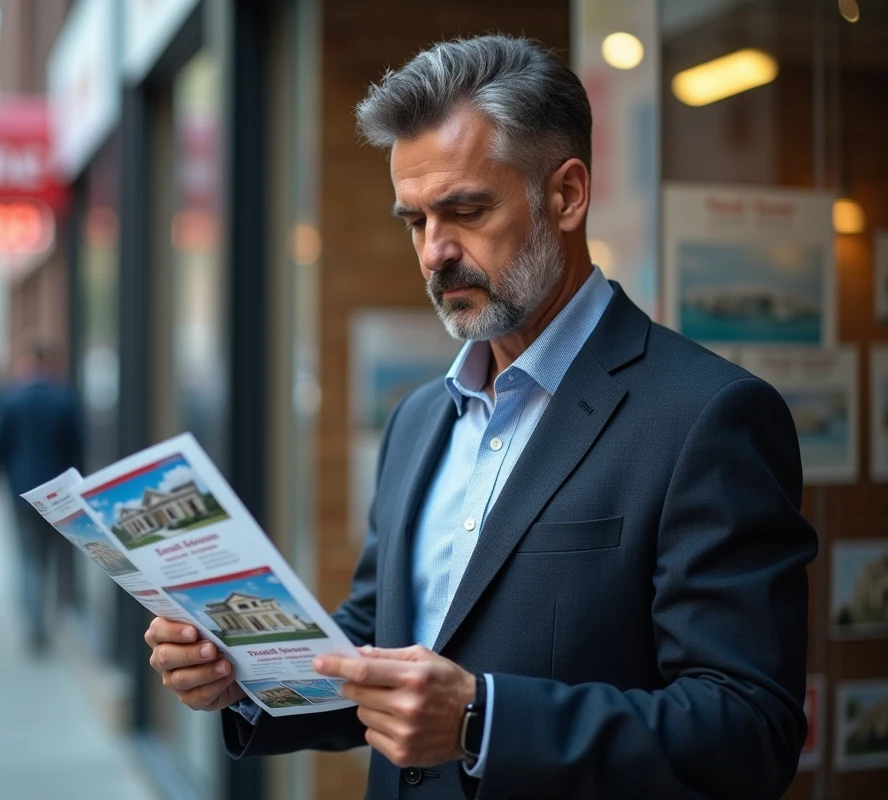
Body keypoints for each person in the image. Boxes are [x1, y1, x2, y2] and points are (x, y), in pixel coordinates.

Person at [144, 34, 817, 799]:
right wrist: (245, 675)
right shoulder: (419, 420)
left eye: (463, 210)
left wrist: (482, 721)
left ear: (566, 195)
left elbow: (747, 730)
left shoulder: (707, 417)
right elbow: (384, 640)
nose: (434, 252)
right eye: (414, 221)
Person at [0, 341, 84, 656]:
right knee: (55, 556)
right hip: (60, 492)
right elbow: (77, 448)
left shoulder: (11, 399)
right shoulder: (64, 399)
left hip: (21, 492)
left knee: (28, 558)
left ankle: (35, 624)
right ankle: (56, 614)